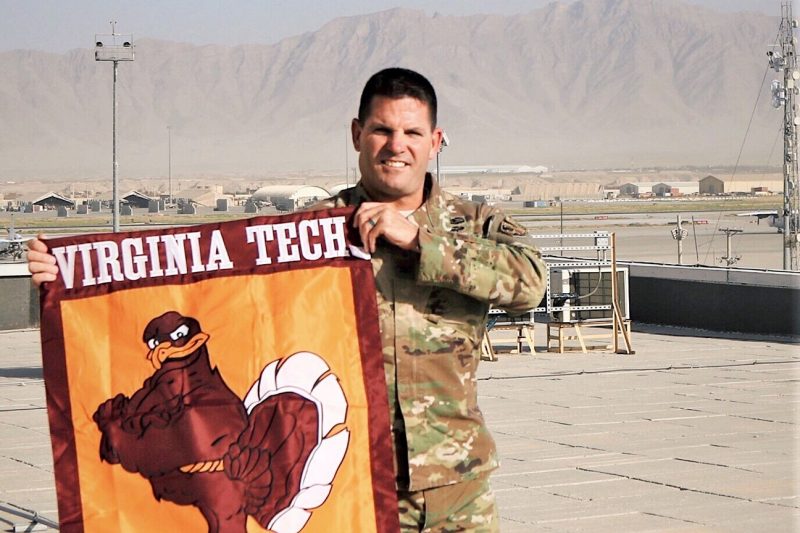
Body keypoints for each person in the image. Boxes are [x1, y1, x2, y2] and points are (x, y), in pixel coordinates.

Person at [28, 67, 547, 532]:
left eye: (412, 133)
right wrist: (72, 278)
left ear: (435, 141)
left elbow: (531, 283)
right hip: (352, 491)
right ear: (356, 135)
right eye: (382, 130)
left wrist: (420, 242)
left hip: (455, 494)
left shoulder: (474, 226)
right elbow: (211, 282)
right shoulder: (310, 237)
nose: (396, 146)